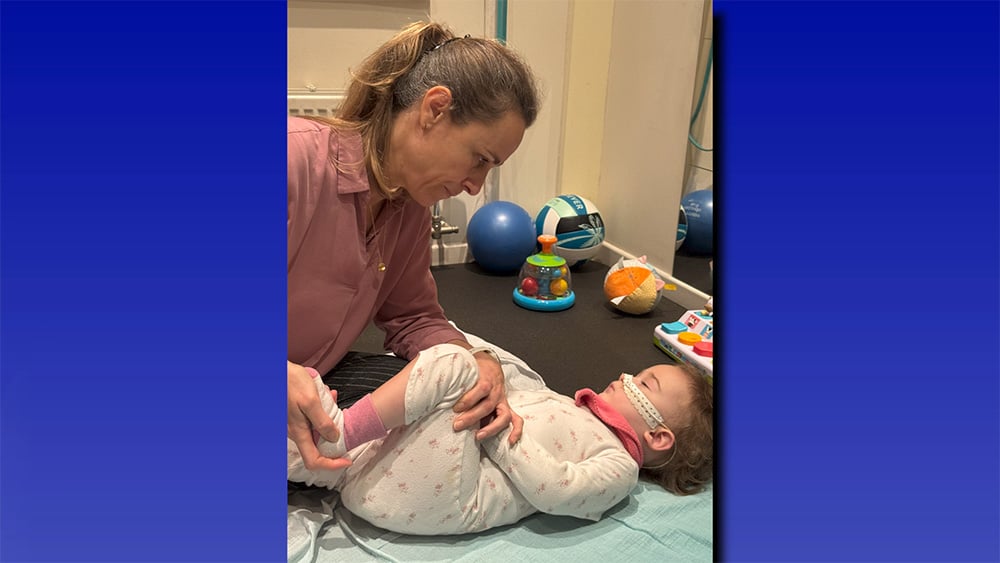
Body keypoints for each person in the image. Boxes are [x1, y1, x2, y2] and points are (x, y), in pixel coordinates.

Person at [287, 21, 541, 473]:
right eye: (479, 158)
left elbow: (414, 317)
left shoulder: (408, 209)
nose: (474, 186)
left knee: (457, 406)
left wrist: (477, 360)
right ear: (435, 109)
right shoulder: (292, 160)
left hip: (315, 383)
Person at [287, 343, 714, 535]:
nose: (624, 378)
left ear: (657, 436)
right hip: (385, 472)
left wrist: (495, 424)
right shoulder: (565, 403)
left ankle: (341, 434)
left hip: (446, 498)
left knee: (455, 366)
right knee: (303, 410)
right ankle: (324, 455)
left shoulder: (618, 467)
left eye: (644, 383)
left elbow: (557, 491)